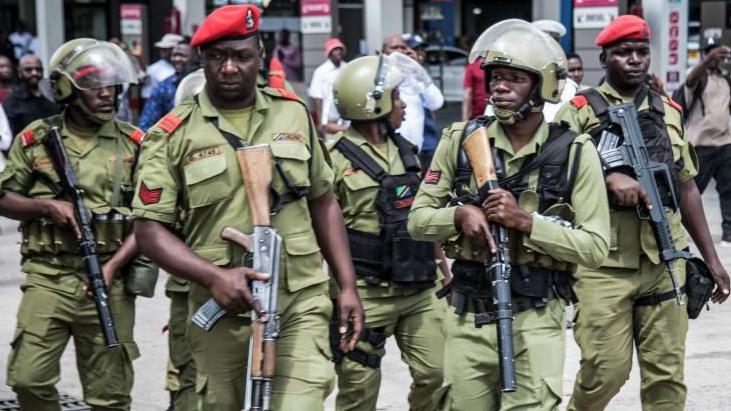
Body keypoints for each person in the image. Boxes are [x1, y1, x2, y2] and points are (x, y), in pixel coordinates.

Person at [131, 6, 364, 411]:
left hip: (299, 297)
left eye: (241, 56)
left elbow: (323, 200)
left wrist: (346, 285)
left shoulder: (292, 113)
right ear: (201, 59)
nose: (229, 68)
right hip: (221, 306)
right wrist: (214, 277)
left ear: (260, 54)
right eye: (218, 57)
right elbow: (149, 230)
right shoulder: (172, 134)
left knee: (301, 402)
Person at [408, 19, 611, 410]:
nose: (500, 87)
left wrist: (527, 222)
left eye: (515, 78)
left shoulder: (574, 152)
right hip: (468, 317)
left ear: (542, 86)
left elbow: (596, 247)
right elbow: (417, 220)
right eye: (496, 77)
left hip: (537, 320)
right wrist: (459, 215)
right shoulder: (461, 140)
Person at [554, 15, 731, 410]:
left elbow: (686, 186)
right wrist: (605, 178)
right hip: (604, 265)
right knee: (605, 371)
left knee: (667, 378)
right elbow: (554, 182)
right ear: (604, 58)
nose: (634, 59)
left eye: (640, 52)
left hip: (665, 259)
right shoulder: (579, 111)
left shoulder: (667, 110)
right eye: (623, 52)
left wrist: (712, 259)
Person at [0, 38, 143, 411]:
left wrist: (112, 267)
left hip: (110, 278)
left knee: (110, 395)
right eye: (95, 86)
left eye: (112, 86)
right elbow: (3, 198)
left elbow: (150, 220)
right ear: (67, 88)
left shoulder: (135, 145)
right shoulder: (36, 140)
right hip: (49, 276)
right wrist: (45, 206)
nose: (107, 95)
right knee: (28, 380)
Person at [328, 53, 444, 411]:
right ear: (373, 103)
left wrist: (442, 264)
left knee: (439, 375)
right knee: (358, 393)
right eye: (396, 96)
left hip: (420, 286)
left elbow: (424, 213)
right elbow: (319, 229)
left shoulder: (408, 151)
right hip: (365, 292)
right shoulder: (333, 159)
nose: (403, 103)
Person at [683, 37, 731, 247]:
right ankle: (678, 229)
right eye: (709, 53)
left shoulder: (724, 78)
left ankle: (729, 233)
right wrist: (709, 59)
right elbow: (690, 81)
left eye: (716, 53)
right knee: (692, 191)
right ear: (704, 54)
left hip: (725, 143)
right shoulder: (697, 76)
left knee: (728, 190)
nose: (714, 57)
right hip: (701, 145)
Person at [382, 35, 444, 152]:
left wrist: (417, 69)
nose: (400, 51)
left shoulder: (414, 76)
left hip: (415, 151)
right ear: (383, 52)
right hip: (390, 149)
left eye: (403, 47)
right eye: (395, 47)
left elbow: (436, 103)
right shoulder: (379, 75)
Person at [530, 20, 578, 122]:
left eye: (554, 43)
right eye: (543, 44)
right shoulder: (517, 81)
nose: (550, 49)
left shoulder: (568, 87)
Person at [139, 41, 193, 131]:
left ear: (195, 57)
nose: (177, 59)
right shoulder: (164, 87)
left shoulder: (203, 84)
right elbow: (147, 123)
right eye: (175, 55)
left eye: (183, 55)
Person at [3, 54, 61, 136]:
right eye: (28, 70)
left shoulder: (55, 96)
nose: (34, 73)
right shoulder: (11, 102)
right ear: (20, 73)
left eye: (38, 69)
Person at [308, 38, 348, 138]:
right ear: (329, 53)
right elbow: (318, 98)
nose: (338, 52)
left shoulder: (347, 67)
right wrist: (321, 122)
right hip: (329, 120)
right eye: (335, 50)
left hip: (346, 117)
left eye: (340, 49)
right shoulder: (321, 71)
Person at [141, 33, 183, 102]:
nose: (163, 51)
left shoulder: (186, 67)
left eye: (166, 49)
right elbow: (147, 95)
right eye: (162, 49)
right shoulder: (153, 69)